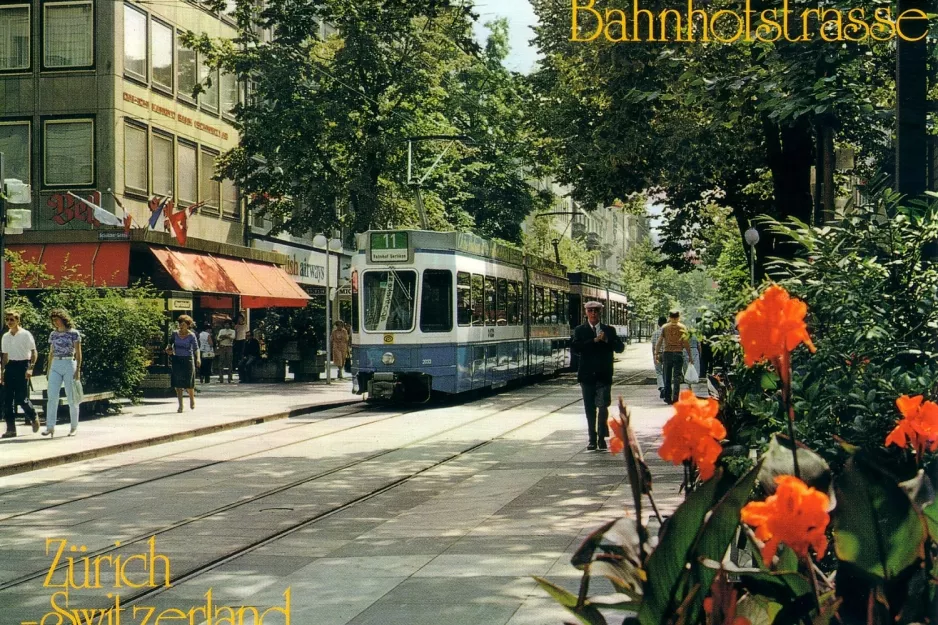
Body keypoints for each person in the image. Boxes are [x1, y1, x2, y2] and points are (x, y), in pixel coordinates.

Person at [571, 301, 625, 451]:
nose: (593, 313)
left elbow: (620, 348)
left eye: (596, 311)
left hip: (604, 375)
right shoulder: (580, 330)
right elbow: (576, 348)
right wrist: (593, 341)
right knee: (589, 409)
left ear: (600, 313)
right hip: (587, 376)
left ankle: (601, 437)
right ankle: (592, 439)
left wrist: (607, 340)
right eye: (590, 311)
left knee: (602, 406)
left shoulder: (609, 330)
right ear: (586, 313)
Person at [42, 309, 82, 437]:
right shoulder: (53, 334)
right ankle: (50, 426)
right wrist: (48, 369)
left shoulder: (73, 333)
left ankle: (74, 427)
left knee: (72, 397)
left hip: (69, 363)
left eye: (57, 319)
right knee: (52, 396)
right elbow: (51, 352)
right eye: (53, 320)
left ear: (63, 319)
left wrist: (78, 369)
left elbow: (78, 352)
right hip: (56, 364)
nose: (55, 322)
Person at [1, 311, 39, 438]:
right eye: (7, 320)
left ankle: (33, 416)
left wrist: (30, 368)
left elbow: (34, 352)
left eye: (12, 319)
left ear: (18, 320)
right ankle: (11, 429)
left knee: (21, 398)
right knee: (7, 400)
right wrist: (2, 372)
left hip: (23, 365)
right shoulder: (5, 336)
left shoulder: (25, 334)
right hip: (10, 366)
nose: (9, 322)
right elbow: (5, 356)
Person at [655, 310, 693, 405]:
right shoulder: (683, 327)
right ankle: (675, 398)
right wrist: (690, 356)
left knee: (667, 376)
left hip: (667, 353)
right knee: (677, 376)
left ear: (670, 317)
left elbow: (659, 341)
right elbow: (686, 343)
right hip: (678, 353)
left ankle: (668, 397)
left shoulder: (665, 327)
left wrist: (656, 353)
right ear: (678, 317)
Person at [165, 315, 200, 413]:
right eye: (180, 324)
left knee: (189, 382)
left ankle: (192, 399)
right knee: (178, 383)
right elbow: (169, 345)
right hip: (177, 359)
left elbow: (196, 348)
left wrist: (198, 359)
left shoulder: (191, 335)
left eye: (183, 324)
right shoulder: (174, 334)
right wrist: (168, 350)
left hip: (188, 359)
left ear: (188, 325)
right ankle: (180, 405)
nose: (181, 326)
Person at [649, 316, 667, 399]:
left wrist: (654, 356)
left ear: (658, 323)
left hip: (658, 354)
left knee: (659, 372)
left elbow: (653, 346)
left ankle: (662, 387)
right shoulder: (668, 332)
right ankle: (666, 388)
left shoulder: (655, 333)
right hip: (667, 354)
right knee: (666, 372)